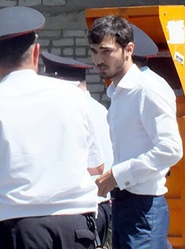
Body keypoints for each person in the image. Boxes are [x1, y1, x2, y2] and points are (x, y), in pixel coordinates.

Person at [0, 6, 103, 249]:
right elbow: (96, 166)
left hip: (20, 232)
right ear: (36, 52)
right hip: (76, 230)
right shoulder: (76, 97)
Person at [88, 15, 183, 249]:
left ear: (128, 49)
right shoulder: (120, 91)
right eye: (94, 51)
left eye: (106, 51)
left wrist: (117, 175)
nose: (99, 59)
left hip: (144, 208)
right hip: (125, 205)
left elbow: (170, 149)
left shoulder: (147, 88)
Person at [41, 51, 113, 248]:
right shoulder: (101, 109)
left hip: (77, 212)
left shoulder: (64, 112)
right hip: (103, 206)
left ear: (60, 81)